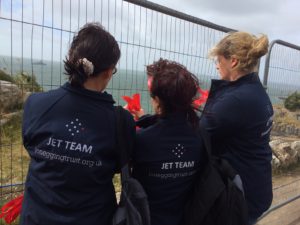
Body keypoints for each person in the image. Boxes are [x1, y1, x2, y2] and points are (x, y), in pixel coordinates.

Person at [20, 23, 135, 225]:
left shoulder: (35, 104)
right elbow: (117, 166)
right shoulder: (120, 121)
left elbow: (30, 144)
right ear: (109, 72)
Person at [200, 31, 273, 225]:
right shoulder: (255, 91)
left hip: (240, 193)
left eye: (219, 59)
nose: (216, 65)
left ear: (232, 61)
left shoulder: (236, 99)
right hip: (256, 183)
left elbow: (199, 134)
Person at [131, 59, 207, 225]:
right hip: (187, 216)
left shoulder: (142, 139)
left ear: (157, 100)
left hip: (147, 218)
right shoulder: (201, 135)